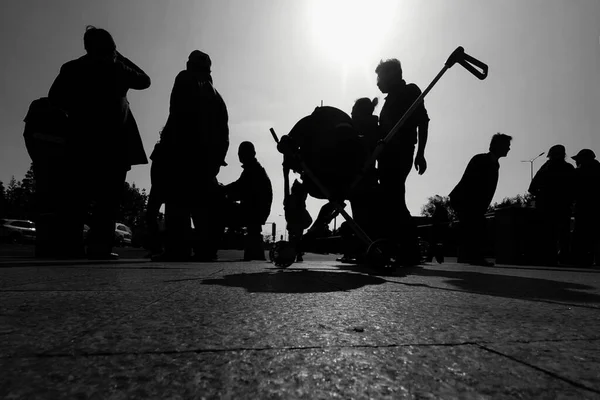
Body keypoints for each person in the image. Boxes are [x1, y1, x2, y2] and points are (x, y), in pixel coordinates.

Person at [48, 26, 150, 259]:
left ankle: (71, 247)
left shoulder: (72, 67)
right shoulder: (117, 68)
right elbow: (145, 80)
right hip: (114, 143)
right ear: (111, 48)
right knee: (108, 199)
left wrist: (74, 112)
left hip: (81, 140)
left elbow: (55, 98)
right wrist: (120, 56)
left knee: (77, 197)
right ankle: (99, 248)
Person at [157, 50, 229, 261]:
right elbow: (224, 131)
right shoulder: (217, 97)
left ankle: (177, 249)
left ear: (190, 65)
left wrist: (167, 147)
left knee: (178, 203)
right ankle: (206, 250)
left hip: (183, 153)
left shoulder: (184, 78)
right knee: (203, 207)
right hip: (206, 158)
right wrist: (217, 159)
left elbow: (177, 114)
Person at [375, 59, 430, 266]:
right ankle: (397, 245)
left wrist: (421, 153)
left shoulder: (410, 92)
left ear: (392, 75)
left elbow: (423, 122)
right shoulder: (388, 102)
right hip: (385, 154)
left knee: (395, 197)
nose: (378, 83)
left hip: (401, 151)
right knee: (390, 198)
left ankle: (410, 248)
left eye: (380, 78)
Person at [449, 133, 512, 266]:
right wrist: (474, 206)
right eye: (507, 145)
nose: (509, 149)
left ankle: (468, 257)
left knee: (472, 226)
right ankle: (474, 257)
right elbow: (472, 184)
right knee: (475, 226)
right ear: (498, 146)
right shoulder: (481, 159)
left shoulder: (494, 163)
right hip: (466, 200)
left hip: (472, 203)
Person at [224, 141, 273, 261]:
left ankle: (207, 248)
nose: (241, 156)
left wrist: (222, 191)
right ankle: (254, 254)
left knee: (219, 210)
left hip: (254, 211)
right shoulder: (253, 169)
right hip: (255, 210)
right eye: (240, 153)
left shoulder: (253, 170)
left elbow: (239, 188)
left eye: (243, 153)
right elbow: (239, 187)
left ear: (253, 153)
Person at [528, 145, 575, 265]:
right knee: (562, 234)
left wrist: (541, 195)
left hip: (547, 207)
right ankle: (563, 257)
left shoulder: (546, 168)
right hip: (561, 207)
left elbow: (532, 188)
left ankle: (551, 258)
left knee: (550, 234)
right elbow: (575, 188)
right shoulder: (568, 168)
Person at [571, 149, 600, 267]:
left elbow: (572, 190)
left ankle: (582, 260)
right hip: (597, 207)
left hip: (583, 207)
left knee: (582, 235)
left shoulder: (579, 172)